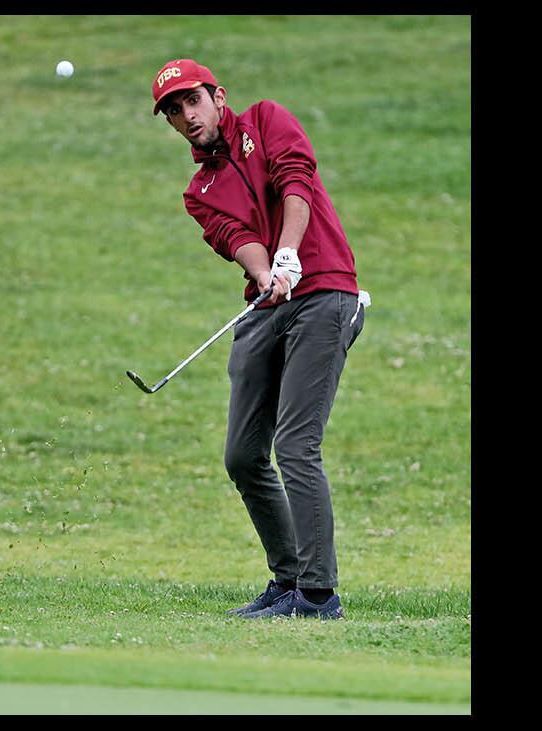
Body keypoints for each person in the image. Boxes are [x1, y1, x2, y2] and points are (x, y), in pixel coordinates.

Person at [152, 59, 367, 619]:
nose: (186, 115)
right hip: (270, 303)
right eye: (173, 111)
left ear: (218, 96)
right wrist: (267, 269)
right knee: (244, 454)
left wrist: (291, 253)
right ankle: (289, 578)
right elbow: (236, 237)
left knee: (296, 445)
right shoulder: (199, 189)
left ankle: (318, 595)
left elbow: (296, 183)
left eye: (192, 101)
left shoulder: (267, 121)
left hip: (325, 293)